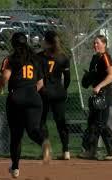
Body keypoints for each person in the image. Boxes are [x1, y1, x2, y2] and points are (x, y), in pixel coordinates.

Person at [0, 32, 51, 178]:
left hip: (16, 97)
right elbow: (40, 83)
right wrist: (30, 93)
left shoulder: (10, 59)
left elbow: (5, 77)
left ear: (13, 44)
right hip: (34, 97)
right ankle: (43, 142)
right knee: (33, 130)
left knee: (16, 135)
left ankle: (15, 168)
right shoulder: (35, 59)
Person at [79, 35, 112, 160]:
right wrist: (89, 77)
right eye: (94, 43)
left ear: (104, 44)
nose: (95, 45)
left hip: (104, 93)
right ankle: (90, 151)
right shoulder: (95, 58)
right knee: (92, 123)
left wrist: (99, 86)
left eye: (98, 43)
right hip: (96, 94)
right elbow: (94, 74)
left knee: (100, 123)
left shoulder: (105, 57)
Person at [38, 31, 71, 160]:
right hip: (58, 92)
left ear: (47, 43)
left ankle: (46, 148)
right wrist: (64, 89)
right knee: (61, 121)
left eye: (44, 40)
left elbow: (37, 77)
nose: (42, 42)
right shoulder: (63, 57)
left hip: (44, 92)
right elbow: (68, 78)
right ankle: (66, 151)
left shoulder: (39, 57)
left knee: (42, 121)